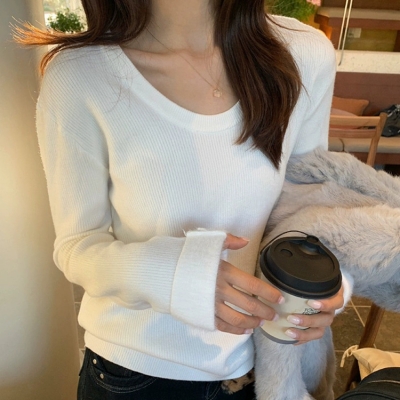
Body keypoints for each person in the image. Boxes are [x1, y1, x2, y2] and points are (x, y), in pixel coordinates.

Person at [16, 0, 349, 399]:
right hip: (136, 375)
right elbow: (77, 247)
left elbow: (309, 207)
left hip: (266, 367)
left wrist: (326, 284)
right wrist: (177, 277)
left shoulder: (305, 55)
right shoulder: (80, 75)